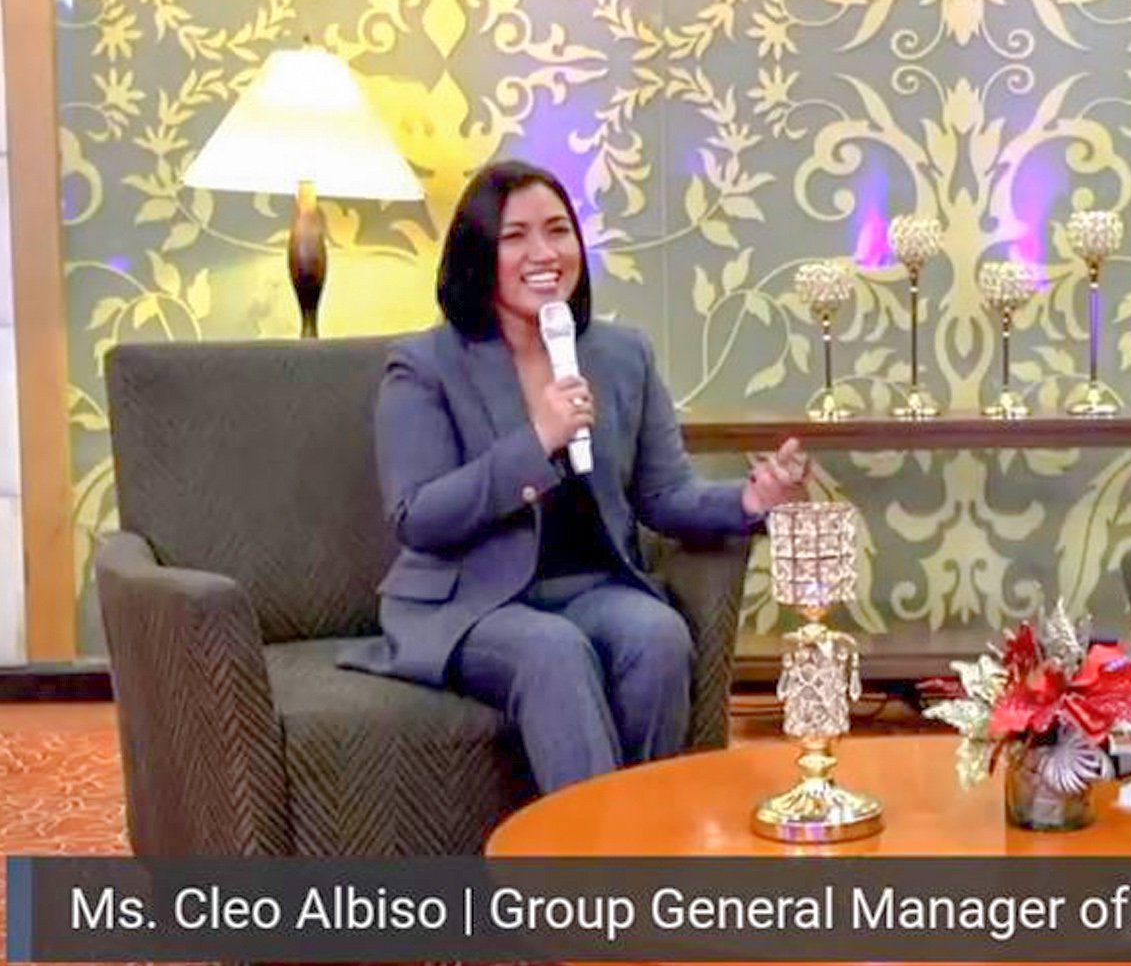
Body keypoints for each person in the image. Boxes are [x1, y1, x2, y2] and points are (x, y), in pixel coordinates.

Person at [342, 159, 811, 794]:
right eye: (516, 236)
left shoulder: (621, 355)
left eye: (558, 230)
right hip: (468, 603)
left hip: (591, 587)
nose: (544, 252)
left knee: (657, 634)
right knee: (552, 650)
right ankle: (593, 854)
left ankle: (643, 833)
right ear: (479, 254)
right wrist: (537, 442)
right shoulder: (425, 365)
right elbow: (419, 517)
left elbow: (663, 494)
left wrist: (751, 499)